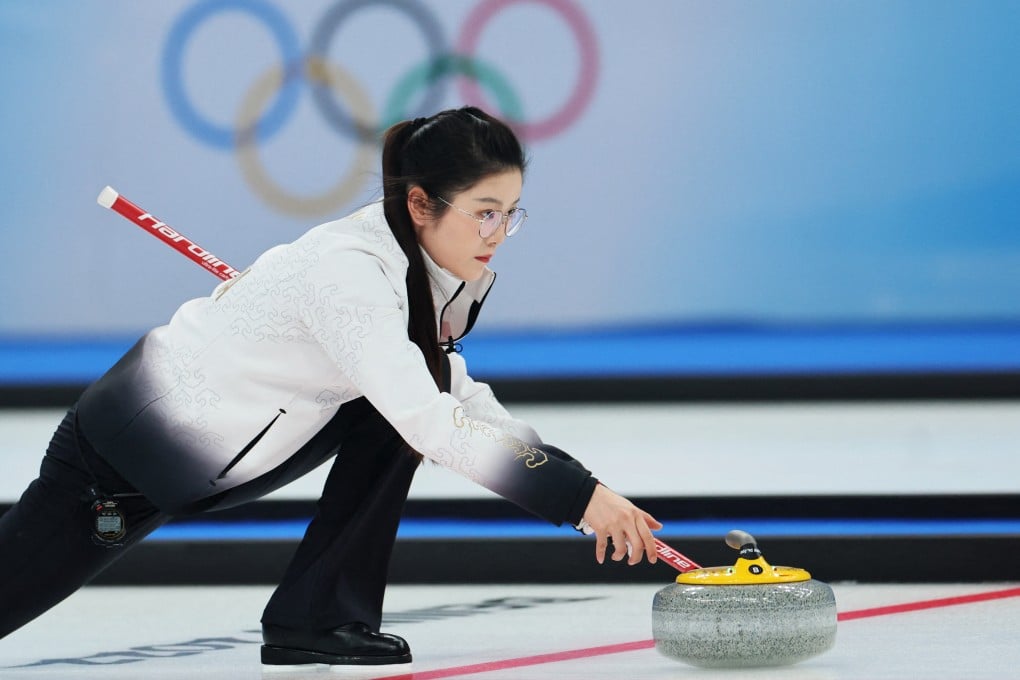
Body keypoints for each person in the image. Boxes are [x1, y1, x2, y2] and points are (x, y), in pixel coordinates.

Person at [0, 106, 662, 668]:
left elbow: (453, 396)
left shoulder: (414, 270)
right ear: (419, 203)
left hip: (217, 456)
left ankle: (316, 618)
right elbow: (432, 421)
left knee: (408, 407)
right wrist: (575, 498)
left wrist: (581, 485)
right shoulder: (351, 275)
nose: (498, 235)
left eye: (511, 214)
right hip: (124, 462)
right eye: (485, 212)